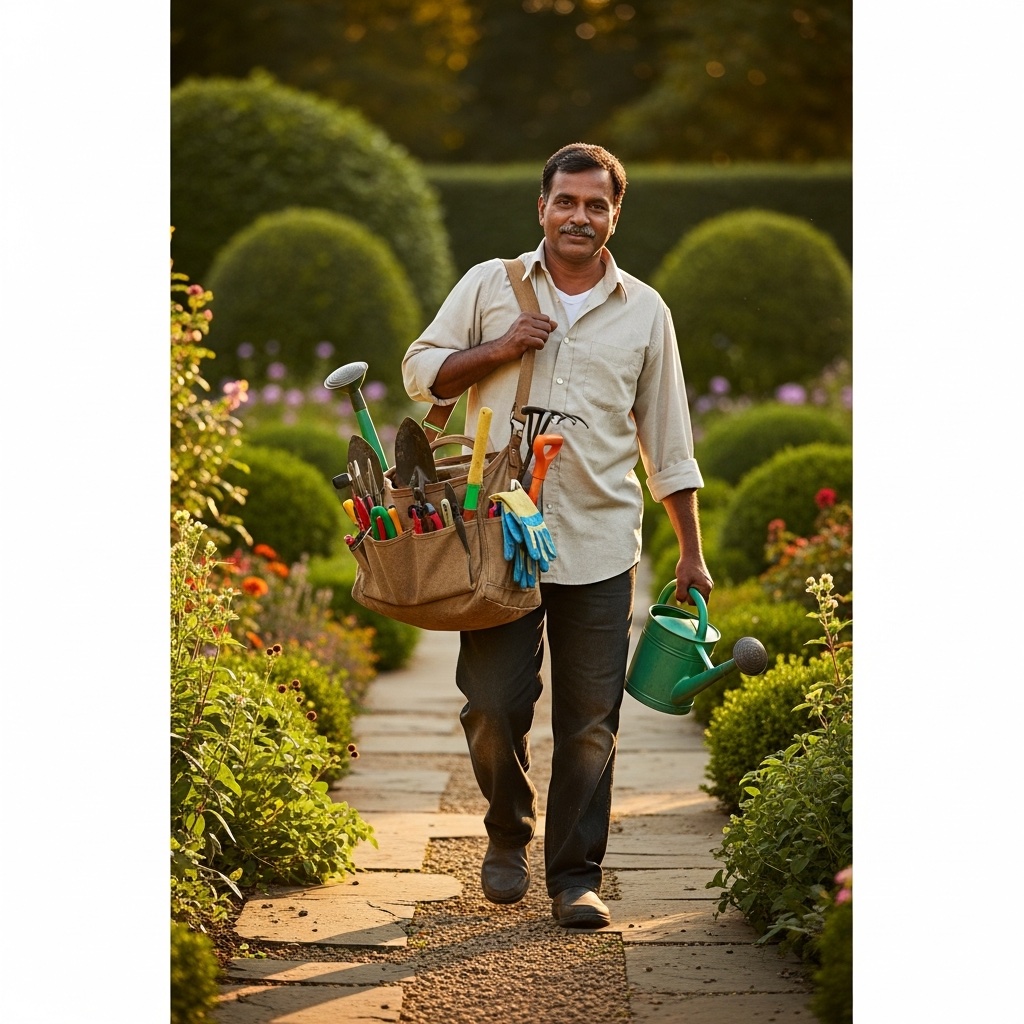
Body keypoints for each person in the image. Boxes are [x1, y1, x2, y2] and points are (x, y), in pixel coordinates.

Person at [401, 142, 712, 929]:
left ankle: (575, 875)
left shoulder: (646, 310)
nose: (580, 216)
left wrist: (692, 550)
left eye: (596, 204)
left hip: (602, 542)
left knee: (590, 724)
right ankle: (507, 830)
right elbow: (419, 372)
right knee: (491, 706)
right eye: (566, 201)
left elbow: (667, 438)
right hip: (496, 542)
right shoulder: (487, 285)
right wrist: (502, 347)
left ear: (615, 214)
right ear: (541, 207)